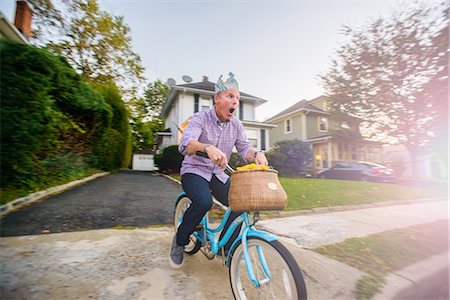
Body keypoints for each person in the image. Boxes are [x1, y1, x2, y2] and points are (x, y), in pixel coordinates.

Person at [169, 72, 268, 268]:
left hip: (218, 174)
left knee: (241, 203)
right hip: (194, 170)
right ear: (217, 99)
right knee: (203, 202)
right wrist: (206, 147)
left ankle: (225, 246)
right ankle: (180, 241)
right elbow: (186, 145)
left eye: (237, 98)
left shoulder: (236, 125)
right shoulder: (200, 118)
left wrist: (256, 154)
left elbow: (244, 149)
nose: (235, 102)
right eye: (230, 96)